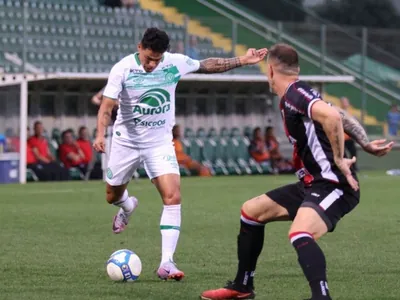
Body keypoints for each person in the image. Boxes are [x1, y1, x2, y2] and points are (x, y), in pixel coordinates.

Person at [200, 44, 394, 300]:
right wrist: (365, 142)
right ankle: (242, 287)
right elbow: (338, 114)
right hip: (311, 184)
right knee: (251, 212)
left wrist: (338, 157)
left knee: (300, 233)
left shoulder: (295, 94)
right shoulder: (298, 94)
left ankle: (321, 297)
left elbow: (333, 118)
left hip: (334, 185)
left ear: (270, 70)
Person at [92, 27, 267, 281]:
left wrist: (242, 60)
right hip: (126, 143)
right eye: (149, 58)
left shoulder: (173, 63)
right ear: (139, 47)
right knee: (112, 195)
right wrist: (99, 135)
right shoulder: (123, 68)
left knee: (172, 196)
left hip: (160, 143)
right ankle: (128, 207)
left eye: (157, 59)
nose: (152, 64)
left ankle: (167, 263)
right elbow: (106, 107)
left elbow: (207, 65)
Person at [340, 97, 358, 171]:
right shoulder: (339, 111)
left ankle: (354, 167)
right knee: (342, 154)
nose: (345, 103)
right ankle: (344, 167)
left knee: (353, 152)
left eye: (346, 102)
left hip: (349, 137)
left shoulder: (351, 111)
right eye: (344, 102)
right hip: (341, 137)